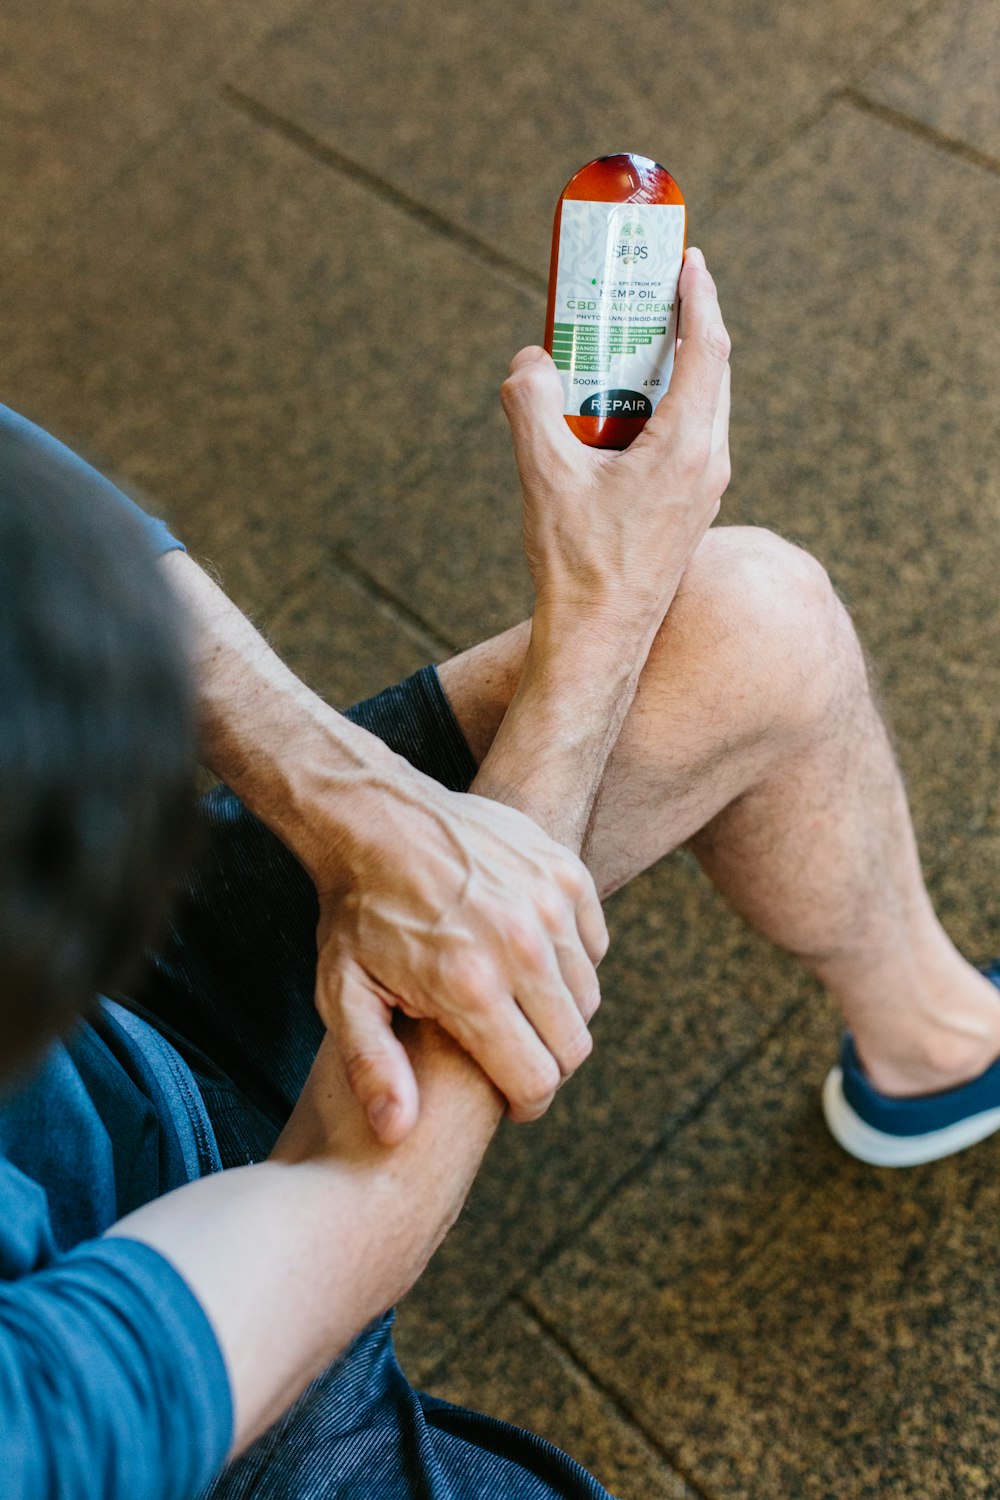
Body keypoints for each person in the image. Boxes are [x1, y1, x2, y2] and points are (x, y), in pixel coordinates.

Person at [1, 249, 997, 1499]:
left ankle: (936, 1048)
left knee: (754, 623)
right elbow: (344, 1217)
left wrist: (342, 801)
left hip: (108, 1021)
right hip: (217, 1413)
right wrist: (595, 618)